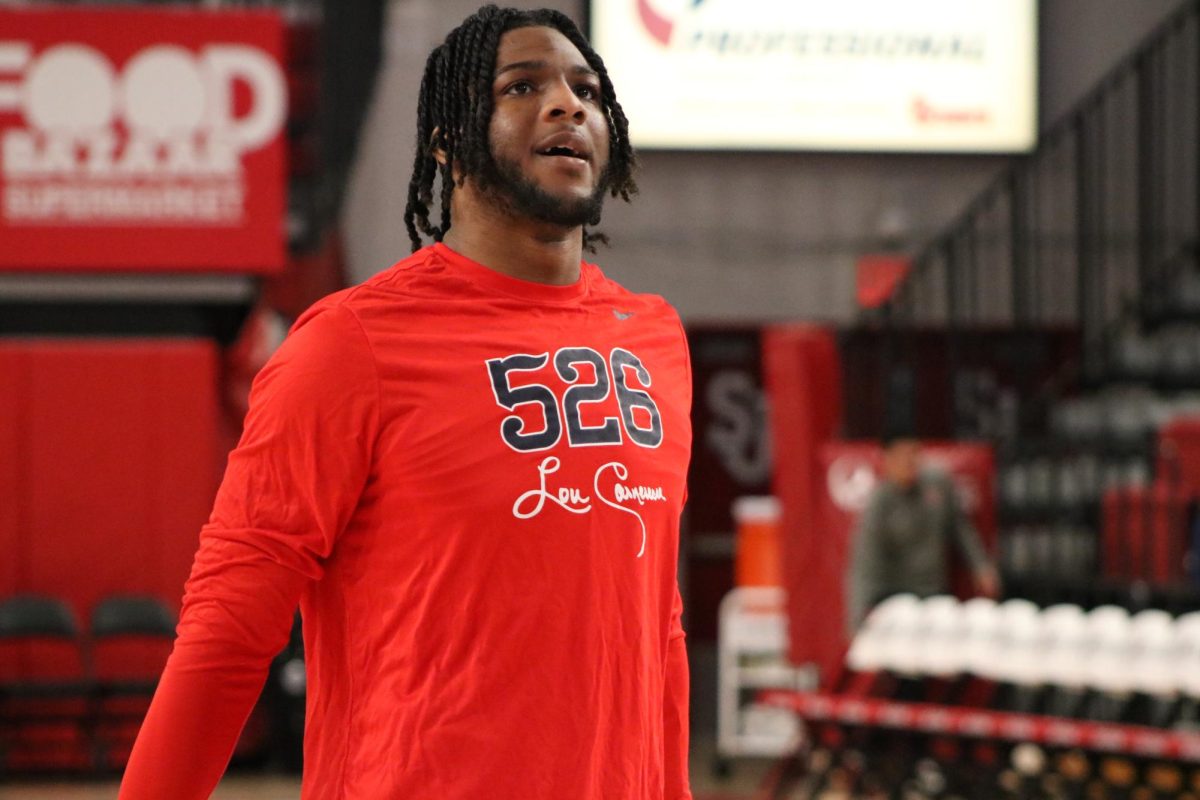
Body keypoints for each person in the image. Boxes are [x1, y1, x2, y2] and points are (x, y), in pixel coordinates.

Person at [119, 6, 693, 799]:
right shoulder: (351, 345)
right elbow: (229, 629)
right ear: (447, 140)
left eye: (587, 90)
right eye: (522, 86)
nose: (568, 104)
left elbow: (655, 626)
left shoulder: (654, 340)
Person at [846, 433, 999, 631]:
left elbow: (960, 528)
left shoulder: (938, 483)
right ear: (888, 460)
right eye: (902, 456)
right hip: (896, 597)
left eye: (914, 454)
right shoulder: (879, 503)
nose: (910, 462)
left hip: (935, 591)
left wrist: (981, 566)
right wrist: (856, 621)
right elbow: (864, 565)